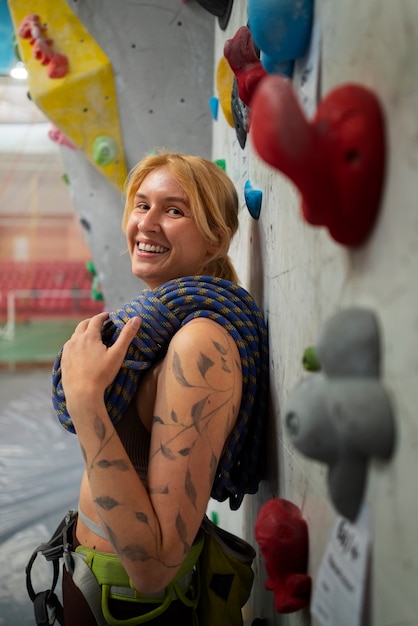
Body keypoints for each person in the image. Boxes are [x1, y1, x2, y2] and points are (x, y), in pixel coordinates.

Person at [52, 150, 269, 625]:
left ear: (217, 238)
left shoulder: (200, 345)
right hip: (95, 582)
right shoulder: (156, 331)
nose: (147, 223)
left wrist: (85, 397)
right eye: (142, 205)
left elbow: (154, 569)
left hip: (134, 608)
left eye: (174, 210)